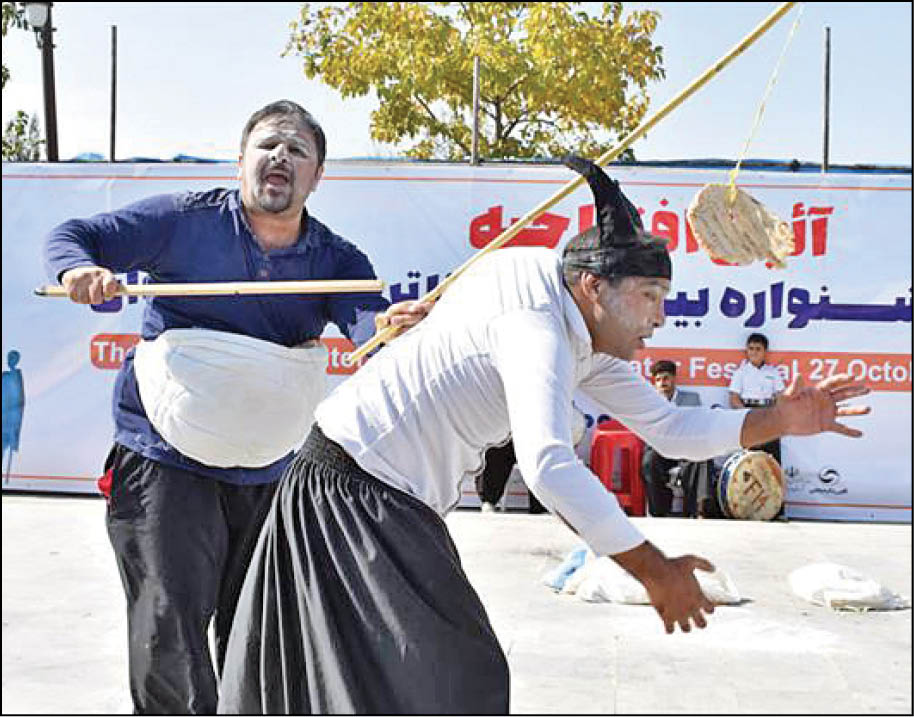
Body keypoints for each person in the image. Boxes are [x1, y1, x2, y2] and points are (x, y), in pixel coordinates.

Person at [216, 156, 870, 715]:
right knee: (451, 680)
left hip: (379, 496)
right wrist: (653, 569)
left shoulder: (575, 320)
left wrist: (778, 420)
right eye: (647, 296)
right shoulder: (537, 323)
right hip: (351, 493)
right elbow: (549, 463)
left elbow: (672, 428)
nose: (658, 317)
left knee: (405, 685)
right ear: (594, 286)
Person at [42, 100, 429, 715]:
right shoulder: (181, 220)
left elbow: (368, 332)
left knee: (263, 633)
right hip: (164, 461)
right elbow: (73, 237)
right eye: (269, 144)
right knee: (168, 630)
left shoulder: (338, 262)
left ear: (317, 175)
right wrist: (78, 270)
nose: (281, 157)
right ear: (241, 159)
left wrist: (393, 331)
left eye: (297, 150)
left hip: (271, 469)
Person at [640, 359, 716, 517]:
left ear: (674, 379)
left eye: (666, 378)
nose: (662, 383)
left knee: (702, 456)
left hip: (686, 447)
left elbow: (699, 425)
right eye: (658, 380)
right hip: (662, 450)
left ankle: (698, 510)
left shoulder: (691, 399)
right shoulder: (649, 403)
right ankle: (659, 512)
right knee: (649, 460)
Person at [477, 406, 585, 513]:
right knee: (498, 445)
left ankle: (542, 505)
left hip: (542, 427)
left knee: (544, 452)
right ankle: (489, 501)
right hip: (511, 422)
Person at [728, 332, 786, 464]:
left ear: (765, 351)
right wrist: (747, 414)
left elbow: (781, 397)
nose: (754, 352)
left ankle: (772, 484)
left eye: (758, 349)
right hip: (748, 413)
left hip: (768, 413)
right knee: (749, 457)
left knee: (771, 457)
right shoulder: (740, 373)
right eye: (751, 348)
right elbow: (734, 399)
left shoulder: (773, 372)